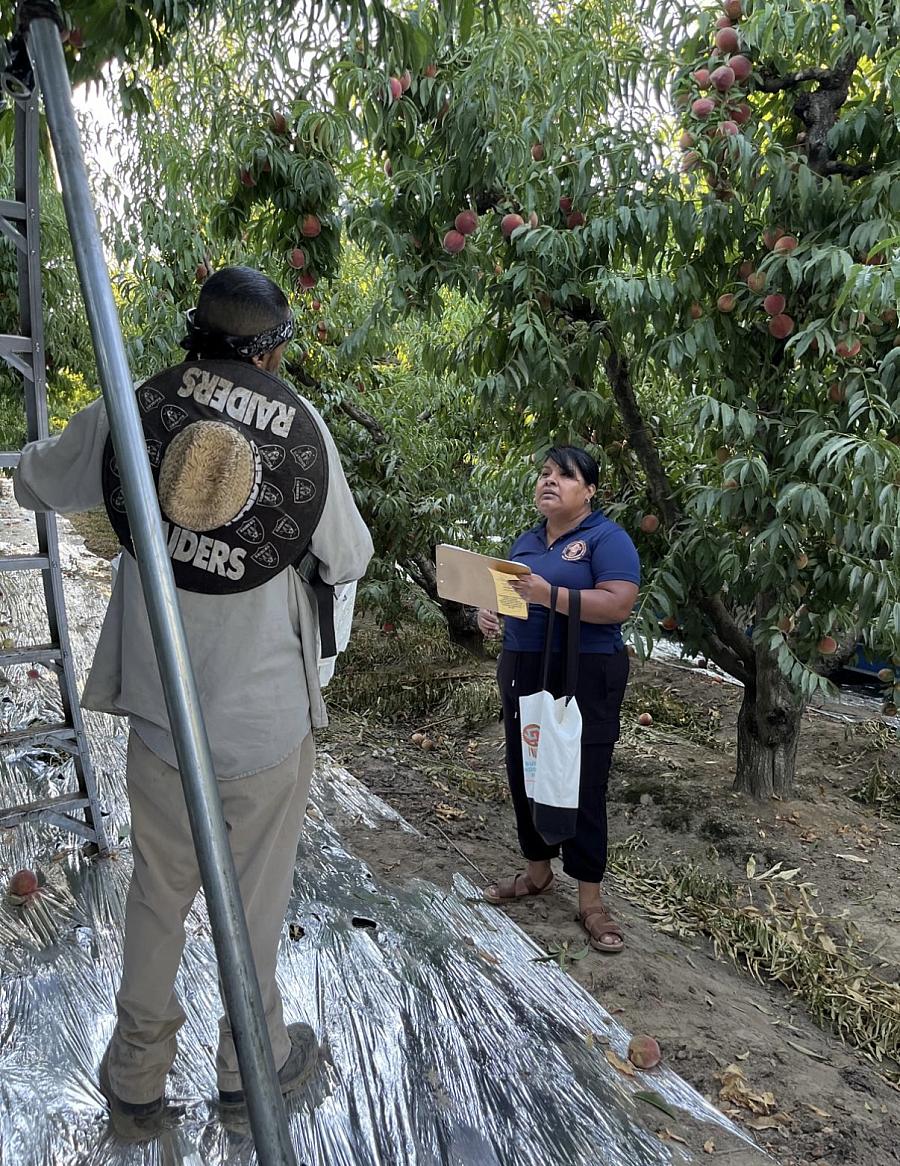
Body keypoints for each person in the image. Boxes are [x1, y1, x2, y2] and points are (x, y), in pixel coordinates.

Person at [13, 267, 373, 1139]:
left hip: (164, 716)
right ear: (272, 353)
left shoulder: (135, 409)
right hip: (263, 721)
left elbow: (37, 484)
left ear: (193, 337)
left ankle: (136, 1078)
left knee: (157, 894)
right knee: (254, 906)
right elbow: (349, 555)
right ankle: (250, 1070)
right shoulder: (300, 428)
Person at [477, 446, 639, 954]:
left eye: (565, 476)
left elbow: (618, 604)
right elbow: (511, 598)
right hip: (524, 665)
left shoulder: (606, 539)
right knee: (526, 769)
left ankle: (590, 898)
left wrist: (550, 595)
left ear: (589, 491)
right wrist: (492, 612)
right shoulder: (525, 542)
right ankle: (537, 873)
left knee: (582, 777)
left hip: (584, 670)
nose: (550, 481)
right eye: (545, 473)